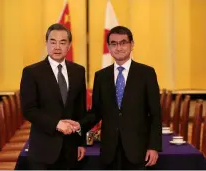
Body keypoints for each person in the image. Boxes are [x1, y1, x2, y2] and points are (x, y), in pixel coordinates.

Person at [69, 26, 162, 169]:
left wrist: (154, 146)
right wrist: (78, 126)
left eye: (123, 42)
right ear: (108, 47)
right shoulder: (101, 76)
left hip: (138, 149)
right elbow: (96, 112)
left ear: (132, 45)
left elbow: (155, 114)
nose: (119, 48)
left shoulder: (146, 74)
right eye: (114, 43)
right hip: (109, 150)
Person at [20, 23, 86, 170]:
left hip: (70, 149)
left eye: (62, 42)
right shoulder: (32, 72)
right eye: (53, 41)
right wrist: (57, 124)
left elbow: (80, 109)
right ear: (46, 44)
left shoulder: (78, 71)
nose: (57, 47)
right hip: (43, 148)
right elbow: (28, 109)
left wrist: (81, 142)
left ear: (69, 46)